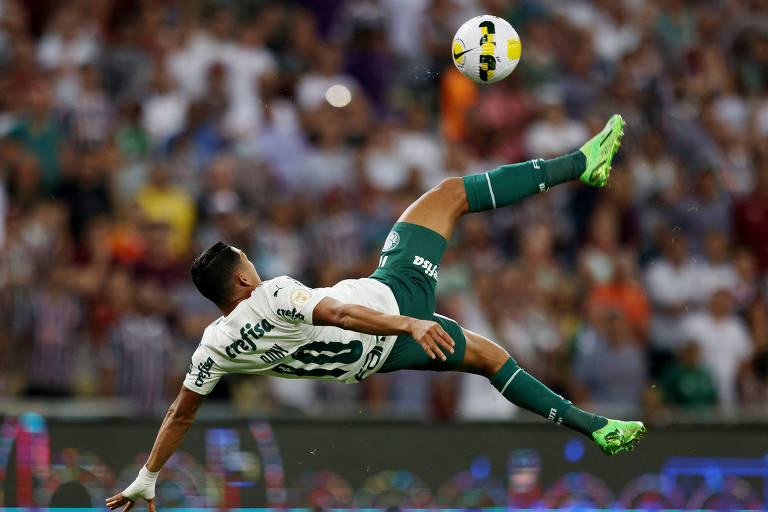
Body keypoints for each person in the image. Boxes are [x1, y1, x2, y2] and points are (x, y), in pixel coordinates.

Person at [107, 115, 645, 512]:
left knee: (488, 356)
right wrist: (408, 320)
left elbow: (180, 413)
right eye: (250, 259)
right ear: (244, 278)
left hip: (381, 359)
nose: (256, 263)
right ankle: (581, 163)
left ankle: (594, 427)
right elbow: (341, 313)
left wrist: (148, 476)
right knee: (450, 193)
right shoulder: (271, 295)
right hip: (396, 305)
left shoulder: (215, 347)